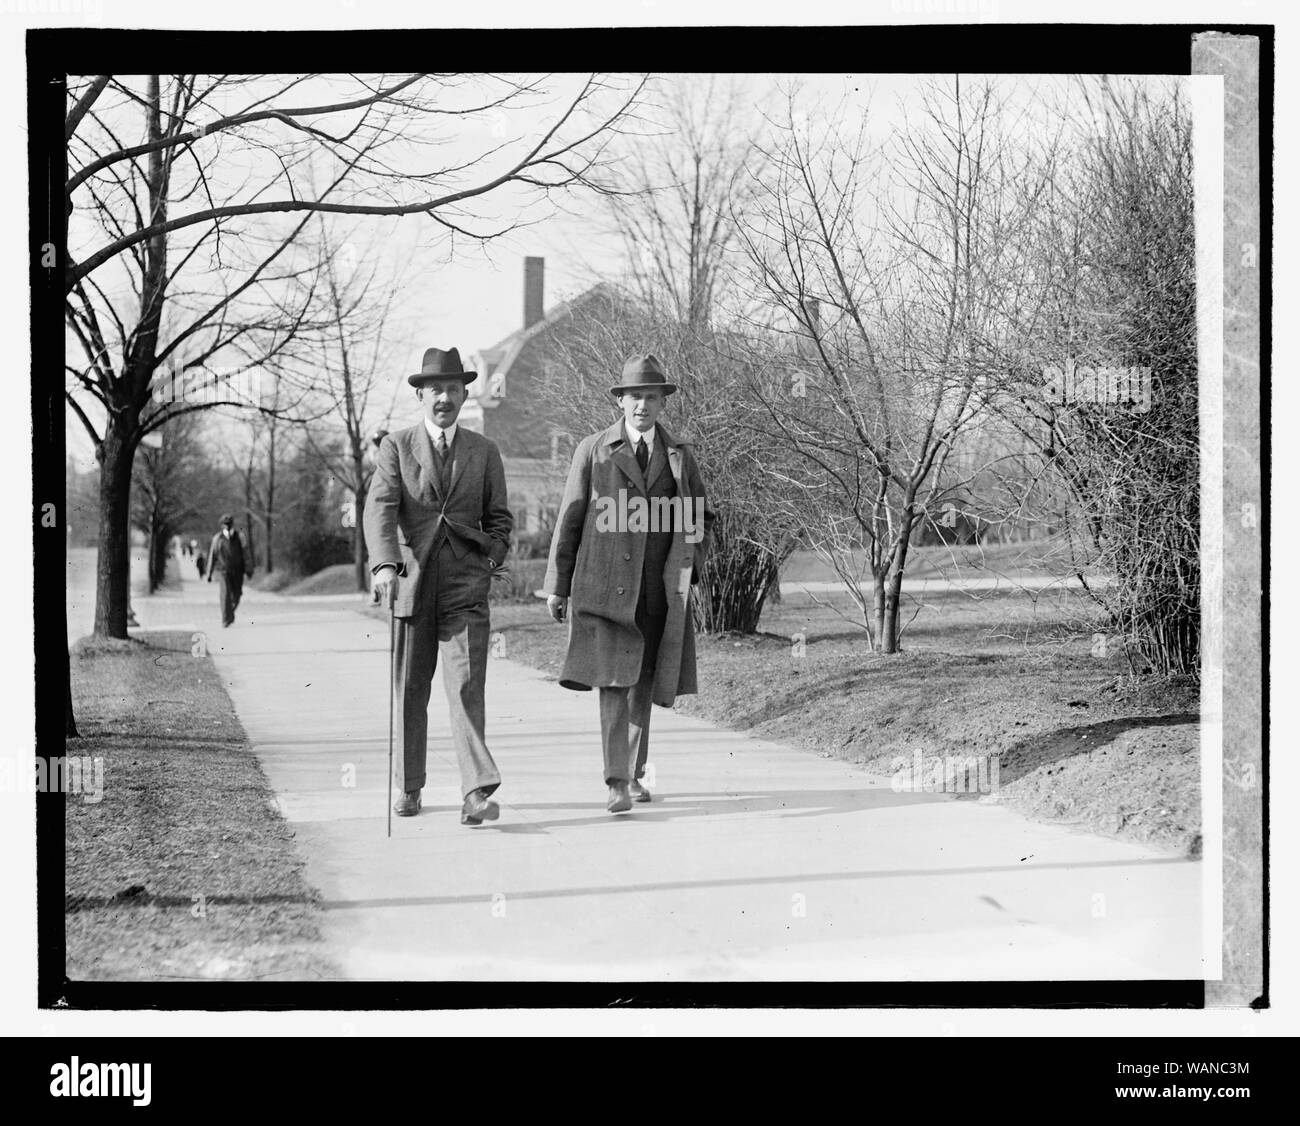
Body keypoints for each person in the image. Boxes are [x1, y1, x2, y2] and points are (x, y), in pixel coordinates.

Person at [544, 353, 714, 814]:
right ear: (621, 401)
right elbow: (570, 521)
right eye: (635, 396)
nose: (643, 405)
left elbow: (699, 516)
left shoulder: (679, 455)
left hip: (659, 589)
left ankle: (635, 773)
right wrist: (558, 585)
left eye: (651, 397)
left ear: (662, 403)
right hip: (605, 585)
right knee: (613, 681)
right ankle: (617, 780)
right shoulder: (593, 450)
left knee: (642, 681)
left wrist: (689, 562)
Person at [364, 347, 513, 825]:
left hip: (466, 588)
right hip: (411, 584)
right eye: (435, 391)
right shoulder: (396, 446)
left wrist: (492, 555)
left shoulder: (484, 451)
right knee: (411, 690)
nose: (444, 398)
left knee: (467, 687)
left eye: (452, 389)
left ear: (465, 393)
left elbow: (500, 518)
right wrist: (386, 565)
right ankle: (409, 786)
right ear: (420, 396)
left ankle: (475, 793)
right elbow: (381, 509)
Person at [207, 514, 253, 627]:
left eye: (229, 524)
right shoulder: (217, 538)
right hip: (223, 571)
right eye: (225, 524)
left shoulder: (240, 537)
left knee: (236, 596)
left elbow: (246, 554)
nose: (227, 526)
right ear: (222, 525)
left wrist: (249, 569)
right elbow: (212, 556)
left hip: (238, 571)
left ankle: (229, 614)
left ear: (232, 524)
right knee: (225, 594)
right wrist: (209, 572)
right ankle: (225, 619)